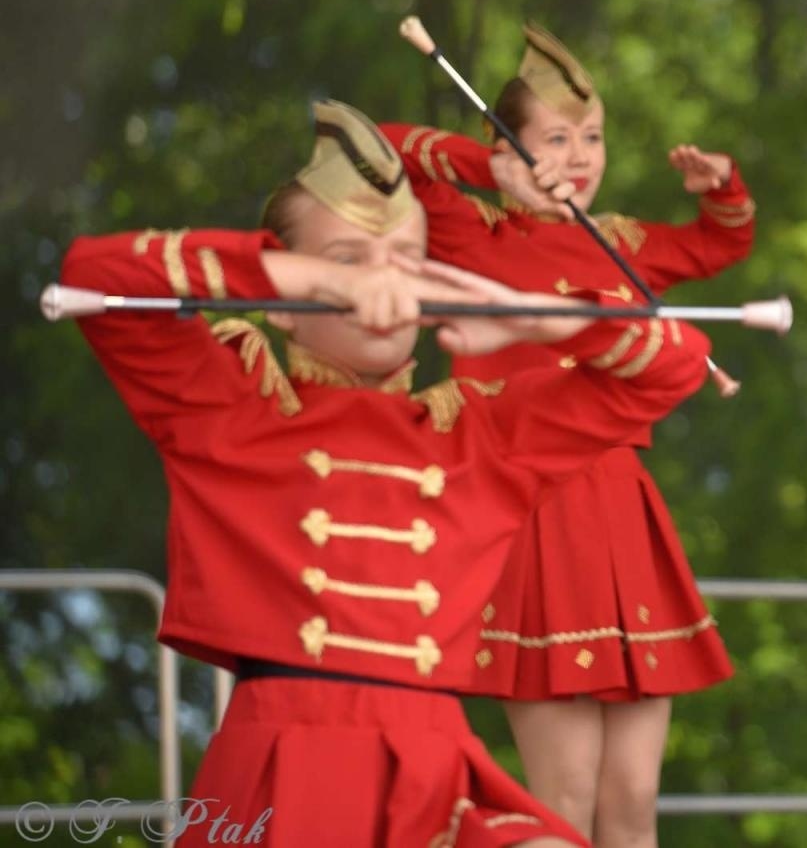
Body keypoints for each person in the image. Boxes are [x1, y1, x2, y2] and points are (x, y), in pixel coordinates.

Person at [61, 99, 713, 848]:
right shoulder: (229, 405)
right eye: (347, 257)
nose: (382, 282)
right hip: (283, 769)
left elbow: (673, 368)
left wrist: (543, 320)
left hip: (437, 777)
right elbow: (94, 277)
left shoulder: (480, 431)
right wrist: (303, 274)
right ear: (282, 300)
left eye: (405, 259)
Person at [378, 23, 754, 847]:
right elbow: (392, 151)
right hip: (531, 505)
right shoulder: (473, 233)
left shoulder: (618, 242)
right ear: (506, 142)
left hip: (622, 508)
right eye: (555, 138)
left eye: (592, 137)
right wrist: (495, 173)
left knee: (631, 802)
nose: (578, 154)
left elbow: (719, 244)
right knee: (564, 799)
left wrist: (721, 186)